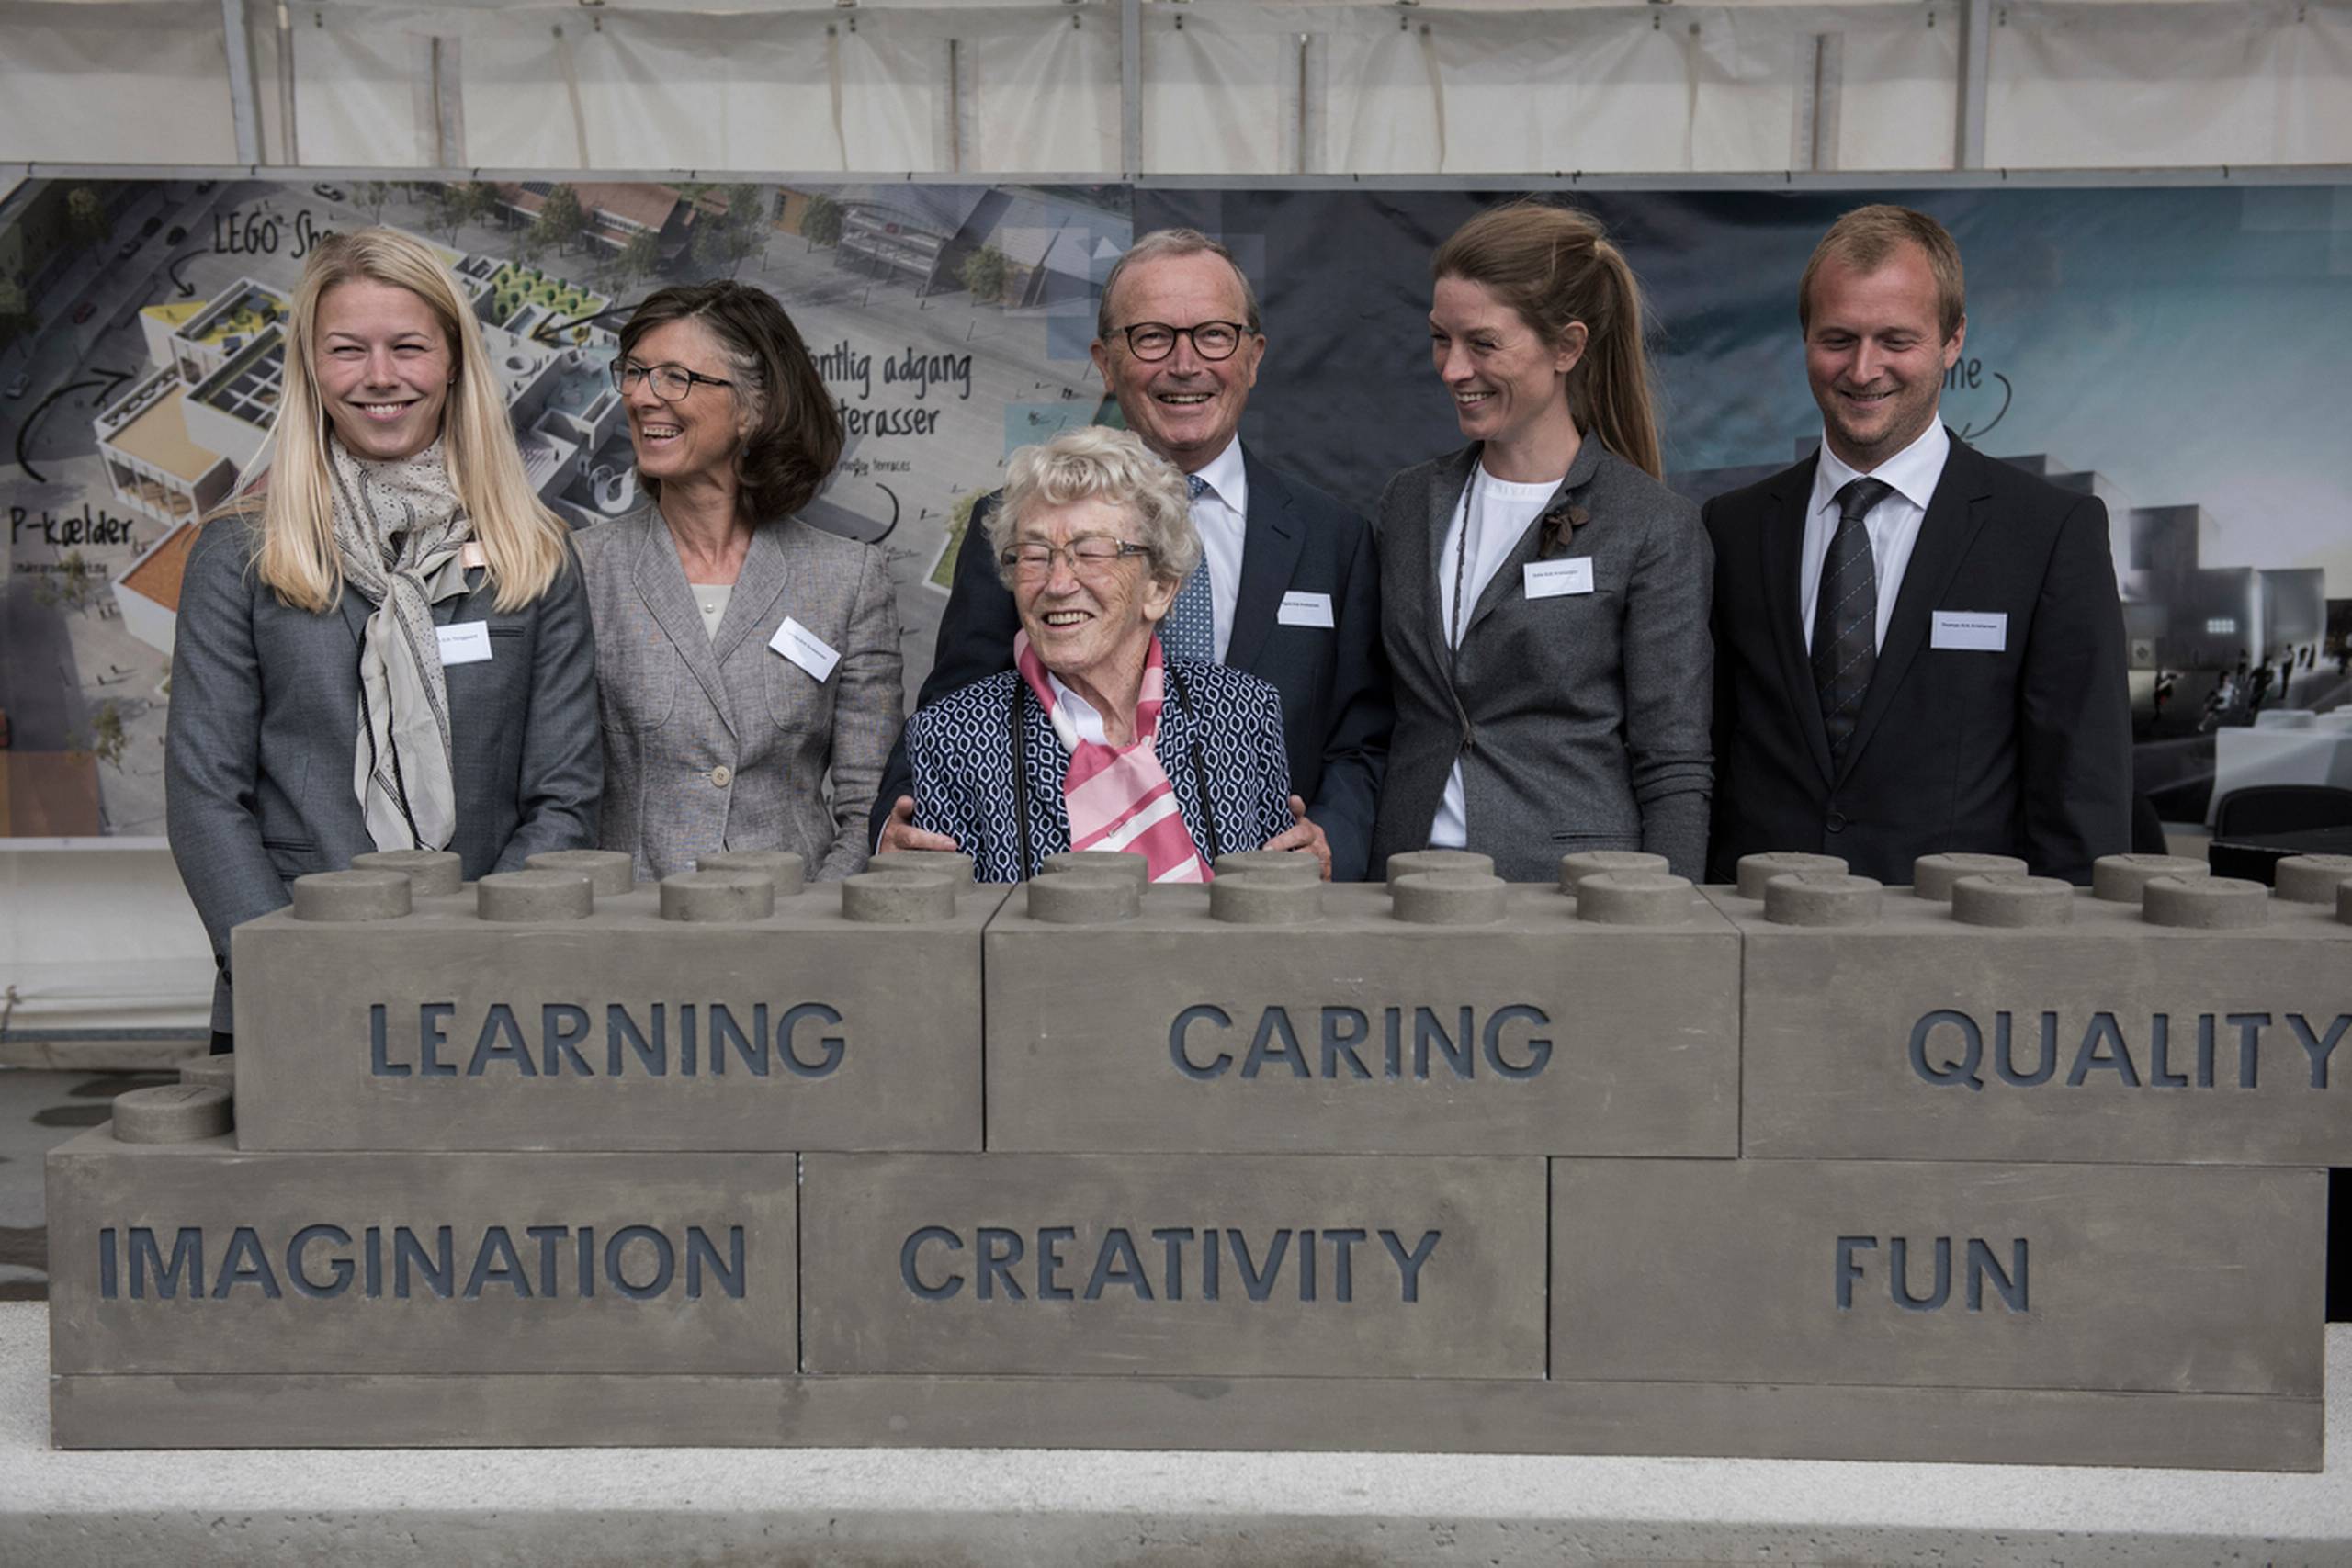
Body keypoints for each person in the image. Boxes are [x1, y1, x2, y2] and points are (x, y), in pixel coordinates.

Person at [166, 227, 599, 1053]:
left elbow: (565, 797)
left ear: (453, 363)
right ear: (310, 368)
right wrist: (282, 967)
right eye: (346, 350)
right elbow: (205, 796)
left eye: (407, 346)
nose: (379, 377)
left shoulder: (533, 553)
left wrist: (481, 960)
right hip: (294, 984)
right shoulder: (241, 553)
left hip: (493, 1001)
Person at [873, 228, 1389, 881]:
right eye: (1152, 336)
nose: (1185, 363)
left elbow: (1361, 741)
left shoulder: (1334, 538)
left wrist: (1329, 844)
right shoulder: (1014, 527)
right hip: (1055, 890)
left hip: (1266, 912)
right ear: (1104, 361)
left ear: (1254, 355)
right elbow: (955, 709)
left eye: (1213, 334)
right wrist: (896, 829)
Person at [1704, 204, 2130, 886]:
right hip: (1758, 935)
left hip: (1957, 949)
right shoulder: (1731, 528)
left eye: (1895, 340)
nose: (1863, 368)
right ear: (1805, 338)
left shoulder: (2048, 533)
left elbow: (2082, 787)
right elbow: (1707, 758)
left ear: (1952, 340)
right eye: (1837, 338)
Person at [1369, 203, 1713, 884]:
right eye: (1441, 338)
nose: (1452, 368)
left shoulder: (1649, 524)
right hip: (1405, 883)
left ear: (1567, 346)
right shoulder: (1409, 503)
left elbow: (1673, 760)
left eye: (1483, 344)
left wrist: (1673, 929)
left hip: (1570, 891)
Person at [575, 281, 901, 881]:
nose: (643, 397)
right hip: (630, 933)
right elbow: (555, 795)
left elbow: (870, 811)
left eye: (676, 377)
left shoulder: (848, 581)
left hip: (791, 937)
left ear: (755, 407)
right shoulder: (580, 571)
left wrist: (813, 923)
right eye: (635, 372)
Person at [899, 426, 1294, 882]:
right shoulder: (952, 737)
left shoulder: (1241, 713)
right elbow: (952, 938)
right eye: (1033, 554)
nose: (1058, 583)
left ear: (1159, 588)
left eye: (1090, 553)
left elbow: (1273, 912)